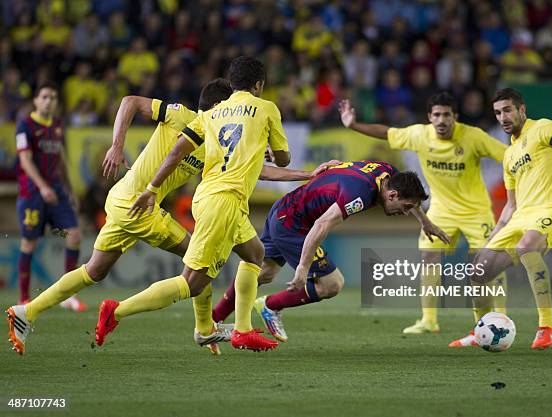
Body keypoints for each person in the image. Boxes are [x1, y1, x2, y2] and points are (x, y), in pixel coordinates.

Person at [7, 78, 328, 355]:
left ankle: (26, 311)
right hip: (138, 203)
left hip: (125, 202)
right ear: (217, 105)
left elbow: (259, 171)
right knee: (196, 266)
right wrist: (117, 146)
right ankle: (197, 327)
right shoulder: (182, 117)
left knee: (94, 271)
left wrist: (304, 174)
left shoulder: (212, 140)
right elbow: (130, 101)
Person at [94, 56, 291, 352]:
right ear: (259, 85)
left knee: (255, 253)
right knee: (192, 283)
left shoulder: (211, 115)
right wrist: (271, 152)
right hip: (224, 201)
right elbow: (282, 157)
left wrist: (152, 189)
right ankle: (116, 311)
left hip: (209, 195)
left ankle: (242, 329)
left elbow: (175, 153)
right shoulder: (266, 109)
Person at [338, 92, 509, 347]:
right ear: (430, 117)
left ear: (455, 117)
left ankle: (499, 318)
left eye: (447, 115)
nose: (441, 120)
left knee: (488, 263)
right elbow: (386, 132)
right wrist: (353, 125)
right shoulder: (419, 134)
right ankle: (429, 320)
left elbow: (508, 156)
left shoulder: (473, 136)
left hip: (476, 211)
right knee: (429, 256)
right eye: (437, 115)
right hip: (441, 209)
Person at [212, 161, 448, 342]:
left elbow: (340, 167)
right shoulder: (359, 194)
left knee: (263, 273)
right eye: (405, 208)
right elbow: (321, 225)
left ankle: (212, 322)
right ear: (392, 195)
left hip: (283, 209)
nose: (406, 212)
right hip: (294, 225)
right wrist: (303, 269)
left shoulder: (388, 172)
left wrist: (424, 222)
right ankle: (271, 305)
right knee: (331, 284)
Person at [471, 88, 552, 350]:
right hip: (520, 217)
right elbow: (511, 205)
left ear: (521, 110)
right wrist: (492, 237)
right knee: (478, 271)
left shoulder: (543, 127)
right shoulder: (509, 155)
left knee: (527, 246)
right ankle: (480, 329)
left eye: (507, 110)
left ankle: (547, 327)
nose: (503, 117)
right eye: (498, 112)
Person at [13, 82, 84, 311]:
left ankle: (68, 295)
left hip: (57, 192)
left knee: (72, 235)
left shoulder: (56, 125)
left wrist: (70, 191)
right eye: (44, 96)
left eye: (52, 97)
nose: (49, 101)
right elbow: (25, 160)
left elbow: (61, 160)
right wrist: (42, 186)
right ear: (35, 100)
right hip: (33, 194)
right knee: (30, 242)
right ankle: (24, 297)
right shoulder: (25, 125)